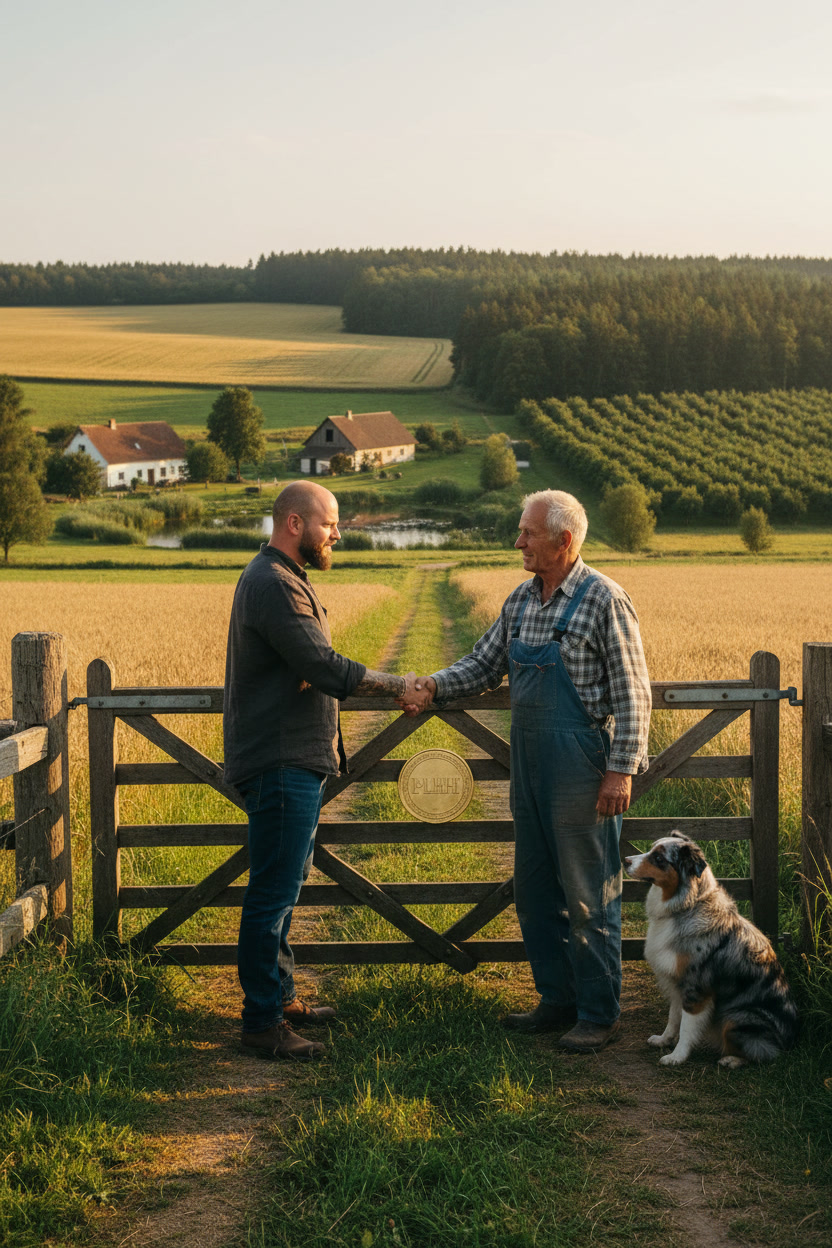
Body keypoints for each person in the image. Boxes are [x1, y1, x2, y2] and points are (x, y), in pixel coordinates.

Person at [406, 489, 651, 1053]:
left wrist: (621, 771)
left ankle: (598, 1011)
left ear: (564, 540)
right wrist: (434, 685)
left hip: (583, 767)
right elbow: (483, 664)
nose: (517, 541)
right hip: (531, 765)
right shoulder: (520, 601)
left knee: (590, 893)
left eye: (528, 533)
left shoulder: (604, 600)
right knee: (537, 892)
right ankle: (556, 999)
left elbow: (634, 694)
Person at [223, 480, 419, 1060]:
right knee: (273, 895)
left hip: (293, 758)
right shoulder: (274, 584)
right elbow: (319, 662)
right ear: (293, 524)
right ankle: (261, 1023)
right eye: (330, 522)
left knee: (286, 887)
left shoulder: (284, 579)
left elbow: (310, 664)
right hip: (281, 759)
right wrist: (396, 686)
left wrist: (317, 672)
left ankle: (279, 999)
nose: (338, 533)